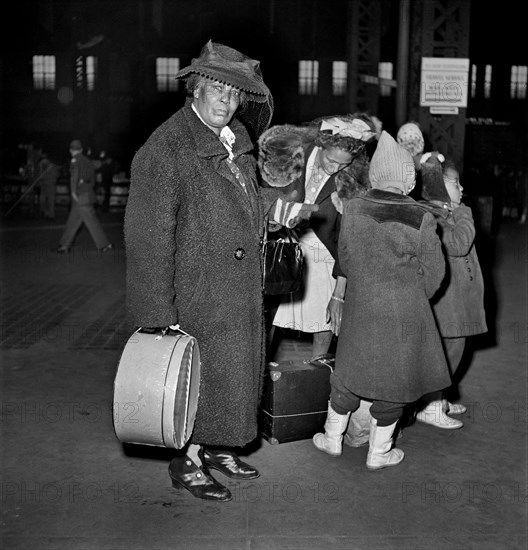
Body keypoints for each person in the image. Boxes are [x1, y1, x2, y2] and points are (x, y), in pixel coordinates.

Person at [124, 40, 316, 503]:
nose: (227, 103)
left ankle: (216, 446)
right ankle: (185, 460)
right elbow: (147, 237)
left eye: (235, 95)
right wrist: (156, 312)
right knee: (195, 379)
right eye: (217, 91)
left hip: (235, 290)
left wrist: (276, 210)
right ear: (195, 89)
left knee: (231, 376)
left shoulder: (233, 144)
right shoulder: (166, 148)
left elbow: (237, 202)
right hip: (196, 293)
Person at [312, 131, 450, 470]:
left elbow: (344, 256)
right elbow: (436, 272)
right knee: (394, 381)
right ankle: (379, 452)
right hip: (404, 310)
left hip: (361, 303)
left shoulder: (354, 207)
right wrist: (414, 297)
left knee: (347, 372)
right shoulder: (421, 216)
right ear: (408, 178)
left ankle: (331, 439)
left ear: (375, 174)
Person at [258, 115, 376, 358]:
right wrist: (278, 219)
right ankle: (259, 371)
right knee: (267, 317)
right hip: (282, 241)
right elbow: (264, 200)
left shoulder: (352, 178)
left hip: (324, 248)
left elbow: (349, 237)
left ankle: (318, 372)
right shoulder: (291, 156)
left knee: (326, 317)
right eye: (331, 161)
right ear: (320, 145)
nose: (335, 169)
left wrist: (339, 294)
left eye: (343, 165)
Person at [415, 153, 487, 429]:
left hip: (458, 300)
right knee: (446, 353)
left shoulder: (447, 212)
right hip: (447, 303)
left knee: (451, 351)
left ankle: (438, 398)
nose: (462, 189)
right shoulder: (434, 216)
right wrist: (464, 212)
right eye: (457, 184)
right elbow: (459, 244)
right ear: (441, 187)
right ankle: (430, 405)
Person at [54, 140, 113, 253]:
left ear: (71, 150)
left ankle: (104, 245)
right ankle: (63, 246)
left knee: (91, 221)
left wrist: (73, 192)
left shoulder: (75, 160)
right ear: (81, 150)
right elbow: (93, 179)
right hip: (87, 193)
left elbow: (74, 177)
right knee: (73, 222)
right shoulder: (87, 161)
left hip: (80, 195)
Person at [37, 153, 60, 220]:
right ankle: (46, 213)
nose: (43, 162)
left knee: (51, 201)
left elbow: (57, 175)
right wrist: (39, 181)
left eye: (44, 160)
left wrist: (50, 171)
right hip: (43, 185)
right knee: (42, 201)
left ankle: (51, 216)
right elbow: (39, 176)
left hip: (51, 185)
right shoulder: (40, 166)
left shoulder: (52, 166)